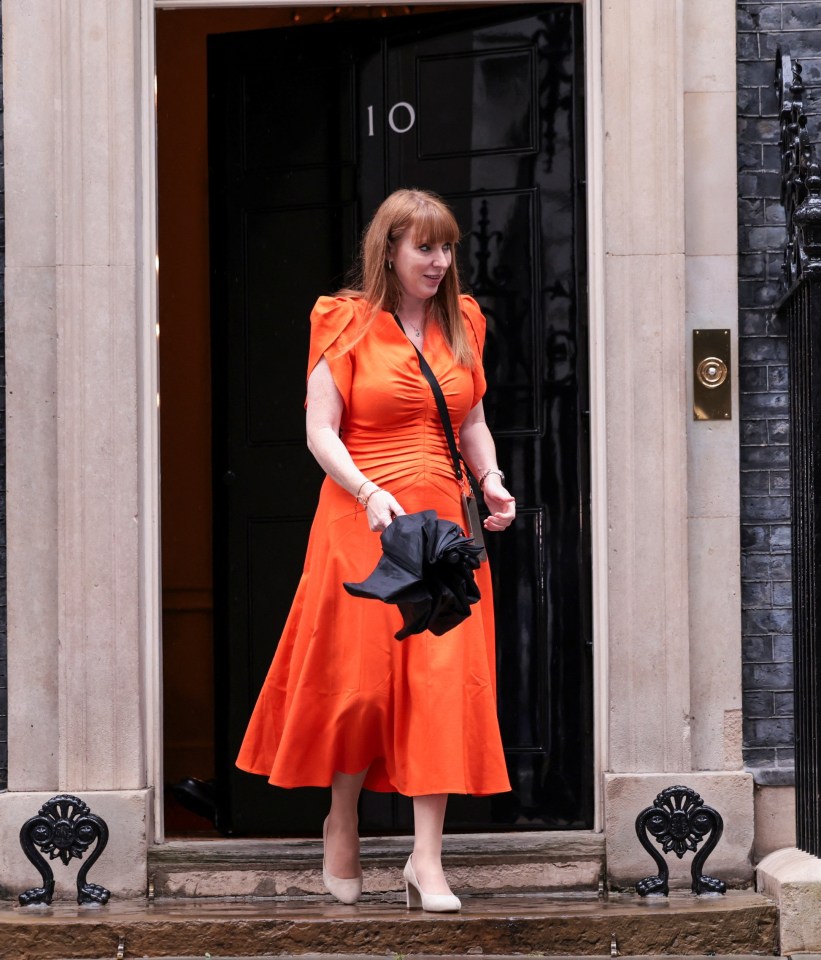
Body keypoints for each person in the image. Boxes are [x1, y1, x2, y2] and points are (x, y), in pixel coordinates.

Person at [236, 188, 516, 912]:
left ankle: (426, 861)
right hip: (362, 518)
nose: (439, 261)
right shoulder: (345, 320)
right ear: (389, 249)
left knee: (439, 683)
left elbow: (472, 417)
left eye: (447, 247)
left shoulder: (466, 322)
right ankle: (342, 818)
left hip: (441, 524)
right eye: (425, 247)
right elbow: (319, 429)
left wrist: (489, 479)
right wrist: (366, 491)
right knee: (360, 683)